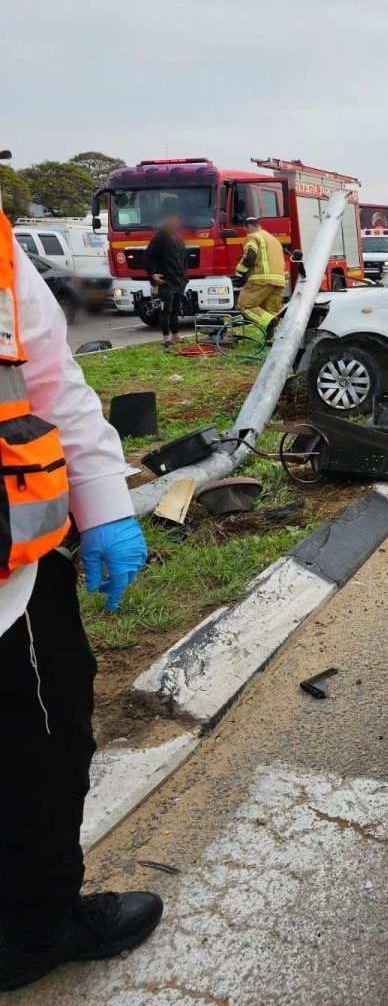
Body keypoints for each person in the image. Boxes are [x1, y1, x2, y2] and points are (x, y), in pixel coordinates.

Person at [0, 200, 159, 990]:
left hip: (17, 566)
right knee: (40, 757)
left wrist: (101, 503)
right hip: (6, 594)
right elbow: (51, 382)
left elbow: (46, 377)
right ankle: (34, 934)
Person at [233, 217, 287, 333]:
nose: (246, 232)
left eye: (246, 229)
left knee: (244, 306)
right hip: (279, 281)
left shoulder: (253, 237)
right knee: (270, 312)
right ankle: (274, 340)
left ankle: (271, 322)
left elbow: (249, 258)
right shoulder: (273, 239)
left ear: (249, 226)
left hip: (261, 279)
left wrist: (239, 274)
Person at [143, 211, 188, 346]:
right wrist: (153, 273)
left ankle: (175, 335)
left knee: (175, 309)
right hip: (165, 280)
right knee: (165, 309)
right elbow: (147, 257)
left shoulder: (179, 239)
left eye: (176, 222)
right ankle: (166, 338)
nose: (174, 224)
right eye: (171, 222)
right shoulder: (159, 239)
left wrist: (185, 276)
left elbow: (184, 259)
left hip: (179, 280)